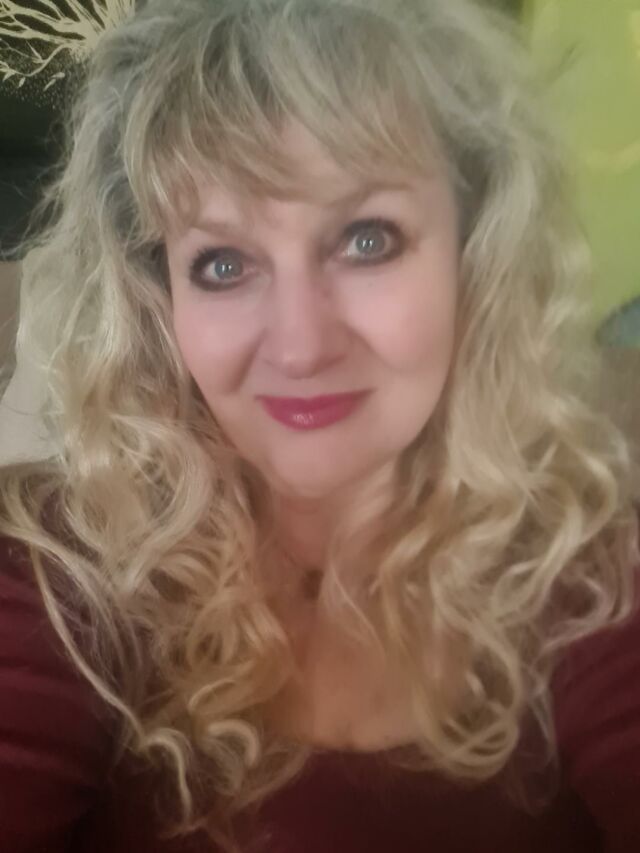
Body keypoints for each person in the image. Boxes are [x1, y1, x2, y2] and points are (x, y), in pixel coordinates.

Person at [0, 0, 638, 850]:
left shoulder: (589, 569)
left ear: (474, 256)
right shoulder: (56, 568)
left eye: (367, 239)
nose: (300, 346)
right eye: (222, 263)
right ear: (160, 300)